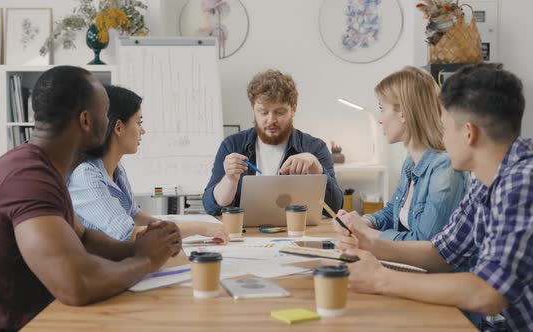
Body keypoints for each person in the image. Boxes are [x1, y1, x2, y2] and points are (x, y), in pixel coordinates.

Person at [0, 66, 182, 331]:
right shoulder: (27, 176)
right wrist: (144, 261)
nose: (110, 120)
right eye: (106, 110)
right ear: (86, 120)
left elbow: (83, 237)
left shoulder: (44, 167)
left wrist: (137, 248)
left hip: (42, 316)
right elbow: (77, 284)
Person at [337, 64, 532, 331]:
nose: (440, 137)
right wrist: (370, 243)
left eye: (443, 127)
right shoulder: (487, 180)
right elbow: (441, 252)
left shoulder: (521, 181)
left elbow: (488, 293)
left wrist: (381, 279)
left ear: (468, 132)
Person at [68, 85, 228, 242]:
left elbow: (135, 215)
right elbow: (129, 235)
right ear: (118, 127)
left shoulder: (117, 169)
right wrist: (198, 228)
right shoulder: (86, 177)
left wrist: (178, 226)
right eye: (138, 122)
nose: (142, 130)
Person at [335, 66, 469, 241]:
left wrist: (369, 234)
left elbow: (423, 241)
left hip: (430, 268)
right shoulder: (411, 162)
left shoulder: (444, 168)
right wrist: (362, 221)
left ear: (404, 113)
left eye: (382, 108)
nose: (380, 119)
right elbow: (393, 212)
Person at [203, 69, 343, 215]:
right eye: (263, 112)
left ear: (293, 109)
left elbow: (335, 208)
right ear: (253, 109)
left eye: (279, 112)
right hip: (245, 235)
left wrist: (315, 168)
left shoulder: (315, 147)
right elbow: (210, 207)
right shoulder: (232, 145)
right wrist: (230, 180)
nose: (271, 121)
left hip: (297, 233)